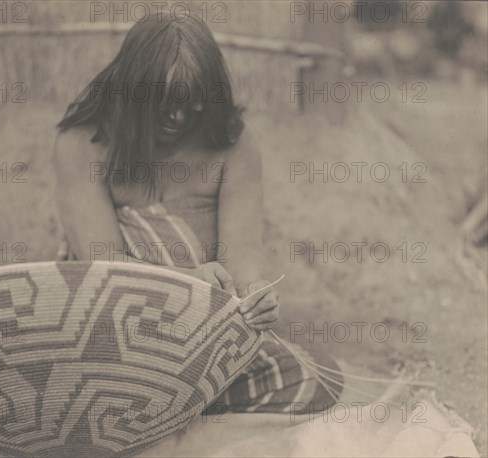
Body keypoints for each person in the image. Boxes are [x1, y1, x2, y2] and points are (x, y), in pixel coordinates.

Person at [54, 5, 341, 413]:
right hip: (113, 331)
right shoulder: (82, 145)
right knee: (72, 387)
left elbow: (241, 258)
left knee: (317, 380)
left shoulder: (234, 146)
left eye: (192, 103)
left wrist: (255, 296)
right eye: (165, 102)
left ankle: (169, 410)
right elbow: (104, 268)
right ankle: (155, 407)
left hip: (203, 338)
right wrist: (186, 283)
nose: (177, 116)